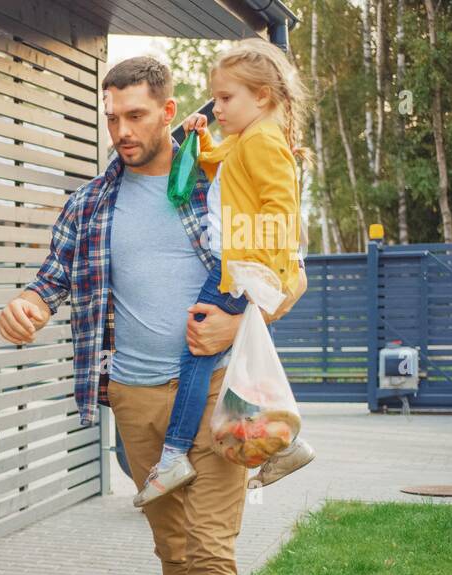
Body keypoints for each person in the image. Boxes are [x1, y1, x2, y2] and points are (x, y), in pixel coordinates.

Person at [0, 55, 306, 575]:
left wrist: (242, 315)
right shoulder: (90, 204)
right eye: (111, 117)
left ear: (169, 111)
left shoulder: (216, 182)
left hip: (221, 389)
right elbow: (49, 280)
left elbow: (289, 270)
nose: (121, 130)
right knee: (173, 551)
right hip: (134, 400)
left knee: (211, 550)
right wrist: (24, 305)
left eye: (135, 115)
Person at [133, 39, 316, 509]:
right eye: (214, 98)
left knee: (197, 347)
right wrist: (202, 138)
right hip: (234, 267)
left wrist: (263, 273)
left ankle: (175, 453)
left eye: (226, 98)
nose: (216, 106)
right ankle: (283, 444)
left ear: (263, 97)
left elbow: (283, 209)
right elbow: (218, 164)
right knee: (233, 358)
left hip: (238, 269)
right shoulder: (245, 138)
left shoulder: (265, 143)